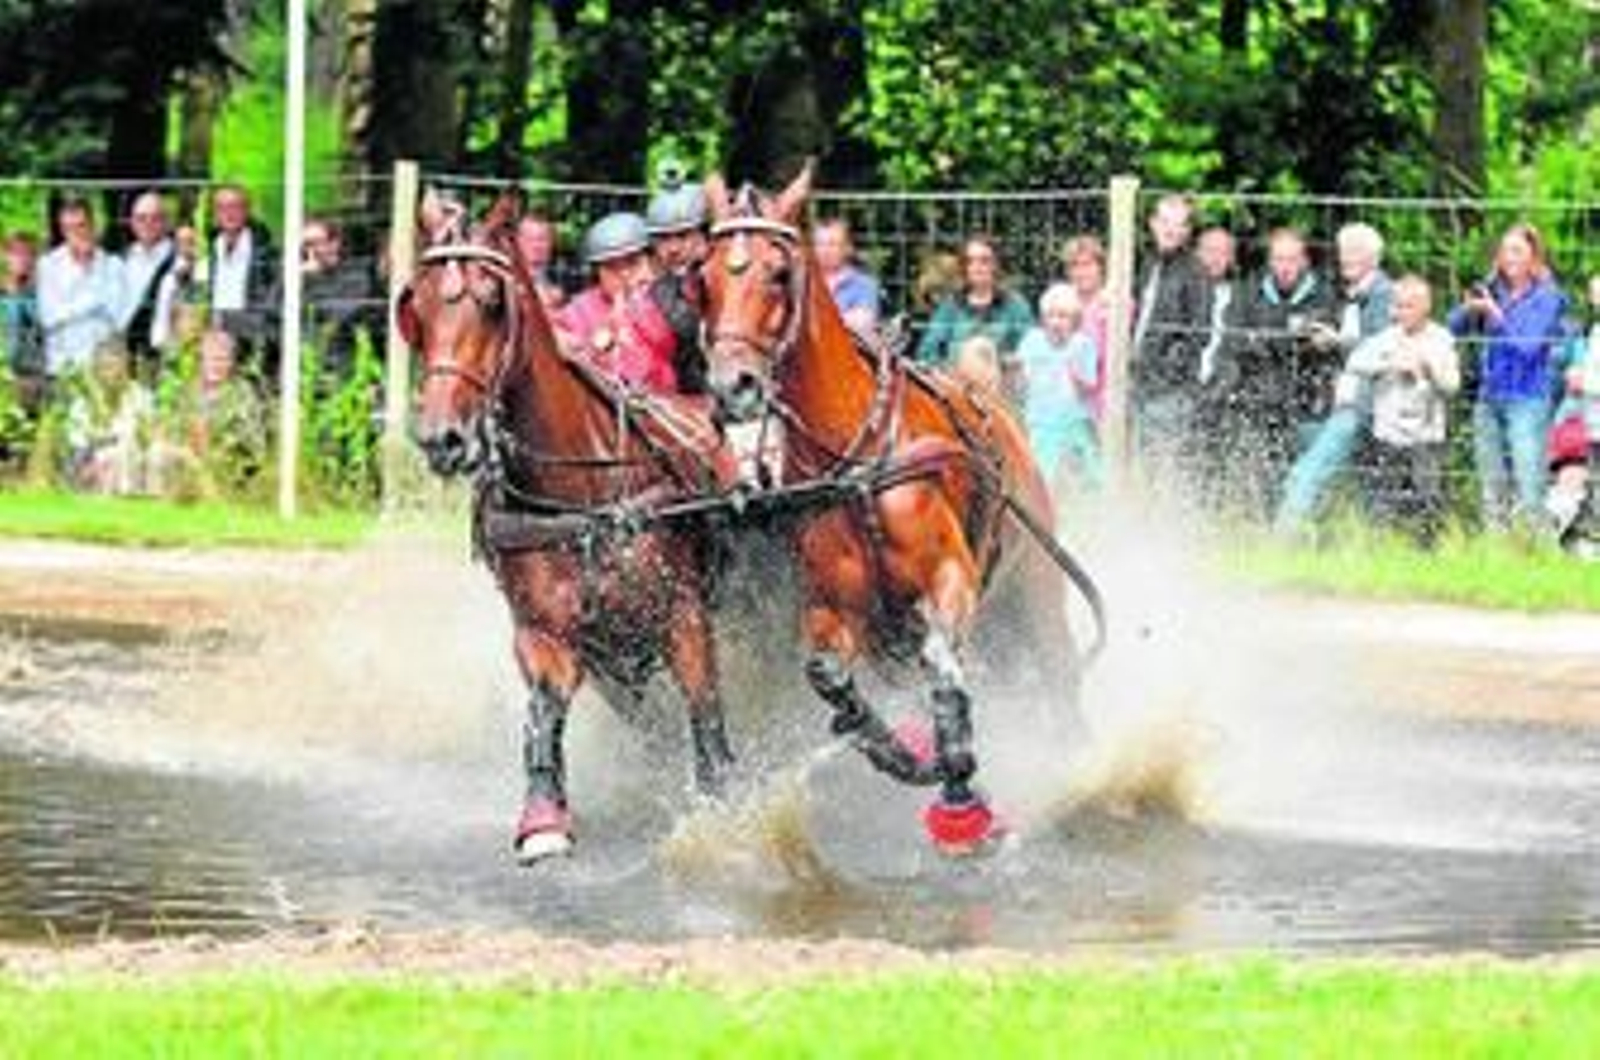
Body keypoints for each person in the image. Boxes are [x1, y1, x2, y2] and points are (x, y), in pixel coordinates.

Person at [1274, 222, 1395, 535]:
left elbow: (1381, 349)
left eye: (1353, 251)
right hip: (1345, 401)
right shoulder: (1353, 294)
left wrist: (1336, 341)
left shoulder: (1383, 293)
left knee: (1307, 472)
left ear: (1373, 257)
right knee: (1360, 484)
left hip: (1364, 405)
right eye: (1343, 251)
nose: (1344, 258)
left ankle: (1281, 541)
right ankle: (1345, 544)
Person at [1447, 223, 1568, 531]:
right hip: (1489, 398)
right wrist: (1469, 308)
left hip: (1527, 400)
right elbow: (1450, 327)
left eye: (1517, 250)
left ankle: (1536, 551)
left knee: (1529, 487)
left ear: (1534, 258)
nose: (1508, 257)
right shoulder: (1493, 289)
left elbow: (1528, 348)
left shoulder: (1548, 297)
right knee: (1492, 485)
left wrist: (1496, 317)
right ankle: (1497, 553)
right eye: (1504, 251)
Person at [1221, 226, 1339, 517]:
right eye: (1279, 259)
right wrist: (1288, 336)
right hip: (1261, 402)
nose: (1285, 267)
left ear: (1304, 261)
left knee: (1307, 481)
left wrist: (1261, 338)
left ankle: (1305, 537)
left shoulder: (1323, 294)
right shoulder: (1249, 290)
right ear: (1270, 261)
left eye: (1291, 259)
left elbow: (1315, 343)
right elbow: (1233, 338)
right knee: (1263, 479)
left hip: (1308, 403)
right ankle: (1267, 535)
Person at [1340, 275, 1459, 546]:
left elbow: (1452, 385)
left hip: (1427, 438)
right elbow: (1354, 362)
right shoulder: (1386, 338)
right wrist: (1390, 363)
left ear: (1426, 306)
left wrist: (1428, 367)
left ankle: (1427, 555)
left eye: (1409, 306)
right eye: (1399, 306)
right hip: (1388, 434)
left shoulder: (1442, 339)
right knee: (1384, 501)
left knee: (1428, 500)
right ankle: (1381, 549)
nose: (1401, 312)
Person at [1130, 194, 1209, 487]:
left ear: (1188, 232)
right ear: (1152, 224)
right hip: (1135, 380)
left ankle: (1167, 525)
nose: (1170, 230)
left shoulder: (1196, 272)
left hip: (1169, 389)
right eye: (1165, 221)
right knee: (1138, 464)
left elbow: (1200, 333)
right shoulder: (1145, 262)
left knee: (1165, 467)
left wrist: (1167, 371)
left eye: (1179, 224)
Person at [554, 212, 679, 395]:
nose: (624, 274)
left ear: (649, 262)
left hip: (659, 405)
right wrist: (600, 337)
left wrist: (637, 304)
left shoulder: (664, 300)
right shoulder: (579, 309)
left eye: (632, 263)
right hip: (600, 408)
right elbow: (557, 342)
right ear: (597, 272)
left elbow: (669, 346)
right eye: (612, 267)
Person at [1015, 283, 1103, 495]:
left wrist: (1074, 375)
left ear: (1074, 321)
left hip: (1075, 424)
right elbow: (1021, 385)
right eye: (1051, 316)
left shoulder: (1083, 344)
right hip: (1040, 423)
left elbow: (1089, 389)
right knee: (1043, 480)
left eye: (1063, 316)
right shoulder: (1031, 341)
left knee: (1091, 480)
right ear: (1043, 319)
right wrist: (1016, 375)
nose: (1056, 322)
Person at [36, 197, 126, 381]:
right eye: (68, 228)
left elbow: (119, 317)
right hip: (63, 367)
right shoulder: (48, 265)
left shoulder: (113, 265)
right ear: (62, 231)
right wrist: (93, 302)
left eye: (81, 225)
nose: (76, 233)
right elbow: (48, 318)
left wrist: (69, 307)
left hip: (104, 368)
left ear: (93, 225)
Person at [645, 171, 711, 393]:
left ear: (703, 236)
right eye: (663, 238)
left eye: (683, 236)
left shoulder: (727, 285)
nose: (673, 248)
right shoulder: (652, 294)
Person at [63, 341, 155, 495]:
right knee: (111, 455)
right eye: (106, 367)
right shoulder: (81, 404)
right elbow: (78, 448)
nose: (113, 374)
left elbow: (150, 439)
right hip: (93, 467)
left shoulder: (141, 397)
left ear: (125, 369)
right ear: (96, 371)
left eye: (117, 367)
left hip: (136, 465)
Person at [207, 184, 278, 378]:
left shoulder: (266, 255)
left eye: (235, 206)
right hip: (212, 349)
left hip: (251, 345)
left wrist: (227, 321)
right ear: (214, 213)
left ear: (247, 211)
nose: (229, 213)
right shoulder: (208, 251)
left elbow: (270, 311)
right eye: (222, 207)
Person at [299, 217, 378, 386]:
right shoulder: (298, 275)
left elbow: (337, 316)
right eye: (305, 245)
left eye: (315, 243)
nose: (310, 251)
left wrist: (313, 279)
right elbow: (273, 309)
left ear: (335, 243)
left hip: (340, 367)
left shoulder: (357, 274)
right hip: (301, 365)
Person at [117, 190, 176, 376]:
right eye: (141, 218)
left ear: (167, 222)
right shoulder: (122, 258)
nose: (148, 224)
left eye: (156, 218)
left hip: (165, 357)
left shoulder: (180, 259)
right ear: (132, 222)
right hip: (124, 355)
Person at [1059, 234, 1111, 423]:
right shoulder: (1060, 302)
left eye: (1088, 264)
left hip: (1104, 404)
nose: (1082, 272)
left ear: (1101, 268)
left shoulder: (1113, 303)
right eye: (1075, 265)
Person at [813, 217, 882, 333]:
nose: (825, 250)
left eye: (832, 244)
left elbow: (862, 323)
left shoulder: (863, 284)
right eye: (820, 244)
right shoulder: (804, 281)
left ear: (848, 249)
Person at [1, 232, 44, 413]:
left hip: (39, 380)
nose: (23, 259)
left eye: (29, 254)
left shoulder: (45, 295)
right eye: (17, 253)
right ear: (5, 256)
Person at [149, 224, 206, 358]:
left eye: (191, 241)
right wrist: (165, 345)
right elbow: (162, 313)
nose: (187, 246)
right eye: (182, 242)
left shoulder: (207, 272)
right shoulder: (169, 278)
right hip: (178, 343)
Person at [514, 213, 567, 309]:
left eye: (542, 239)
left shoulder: (564, 275)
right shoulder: (507, 278)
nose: (537, 246)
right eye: (530, 239)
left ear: (552, 242)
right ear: (518, 241)